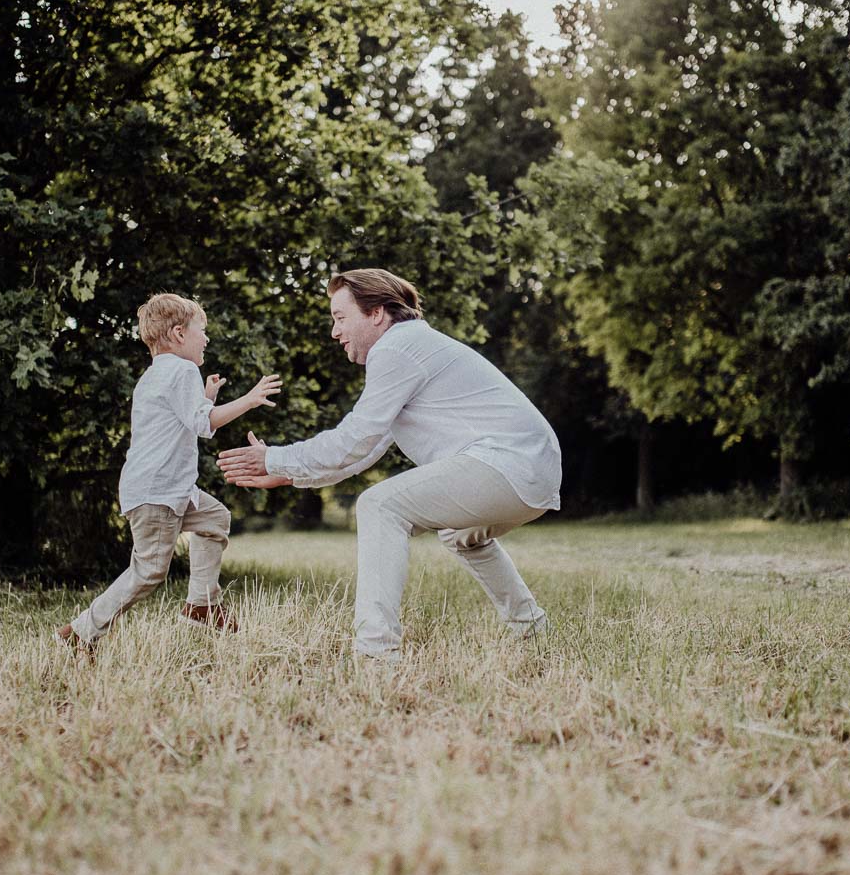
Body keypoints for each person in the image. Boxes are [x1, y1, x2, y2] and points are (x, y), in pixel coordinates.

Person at [218, 268, 560, 661]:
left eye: (340, 318)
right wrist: (289, 474)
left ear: (376, 313)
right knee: (462, 534)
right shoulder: (411, 349)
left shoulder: (396, 349)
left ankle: (376, 653)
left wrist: (275, 457)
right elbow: (365, 449)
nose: (334, 331)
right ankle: (532, 630)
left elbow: (355, 437)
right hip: (532, 470)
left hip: (509, 463)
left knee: (378, 505)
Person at [55, 292, 281, 651]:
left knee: (215, 519)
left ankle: (202, 604)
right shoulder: (183, 369)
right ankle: (81, 632)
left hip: (168, 488)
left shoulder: (157, 375)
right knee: (148, 572)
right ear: (178, 333)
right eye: (200, 331)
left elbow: (187, 421)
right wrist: (250, 399)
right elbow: (205, 426)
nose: (205, 338)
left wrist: (205, 398)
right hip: (159, 491)